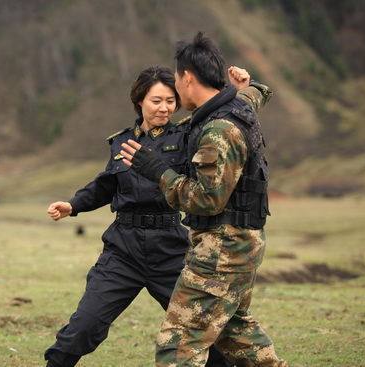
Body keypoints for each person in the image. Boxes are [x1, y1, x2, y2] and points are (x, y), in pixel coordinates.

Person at [44, 65, 270, 367]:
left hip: (170, 248)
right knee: (85, 325)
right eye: (156, 101)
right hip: (122, 250)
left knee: (204, 329)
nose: (164, 108)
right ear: (140, 101)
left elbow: (226, 116)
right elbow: (106, 184)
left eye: (170, 101)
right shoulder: (121, 142)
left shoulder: (188, 136)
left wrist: (244, 87)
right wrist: (73, 205)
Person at [120, 33, 287, 367]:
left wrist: (157, 171)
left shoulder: (218, 130)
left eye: (177, 82)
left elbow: (207, 200)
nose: (175, 93)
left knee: (178, 346)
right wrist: (248, 85)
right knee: (237, 338)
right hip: (240, 246)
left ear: (188, 78)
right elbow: (257, 95)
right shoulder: (235, 105)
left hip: (222, 252)